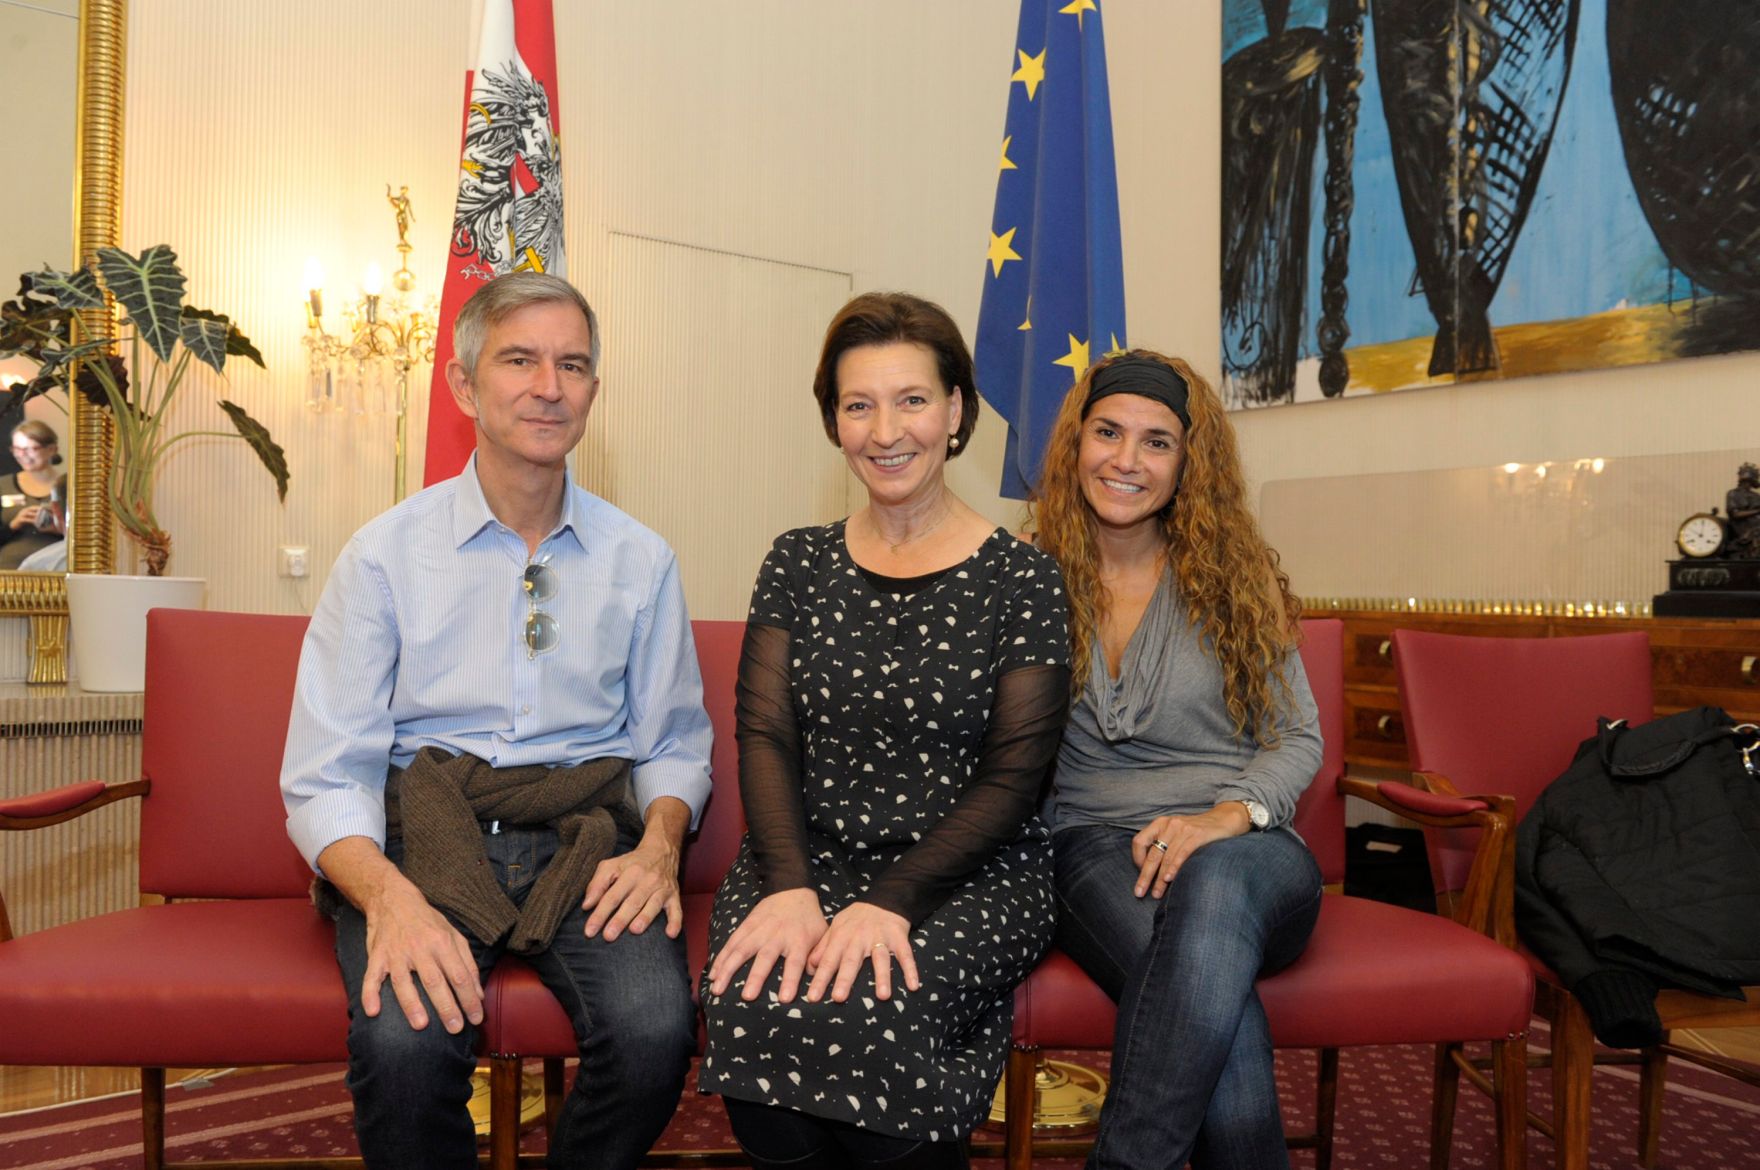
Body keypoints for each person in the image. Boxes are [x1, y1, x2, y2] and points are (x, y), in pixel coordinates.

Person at [280, 272, 713, 1170]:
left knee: (653, 1032)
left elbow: (673, 743)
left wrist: (661, 845)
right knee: (402, 1045)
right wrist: (390, 901)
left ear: (594, 391)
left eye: (573, 365)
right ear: (465, 384)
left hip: (585, 838)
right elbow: (328, 774)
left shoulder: (642, 561)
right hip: (426, 834)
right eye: (520, 360)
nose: (548, 386)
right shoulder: (383, 556)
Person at [700, 291, 1070, 1170]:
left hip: (968, 871)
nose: (885, 429)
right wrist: (789, 887)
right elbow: (764, 736)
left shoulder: (1025, 578)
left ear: (955, 412)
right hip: (805, 856)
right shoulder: (796, 559)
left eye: (911, 400)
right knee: (753, 995)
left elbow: (1016, 778)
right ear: (833, 420)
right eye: (857, 404)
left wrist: (891, 901)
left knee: (879, 1003)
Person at [1030, 350, 1324, 1170]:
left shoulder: (1235, 575)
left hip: (1249, 849)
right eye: (1109, 433)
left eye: (1157, 442)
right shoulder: (1026, 574)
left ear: (1188, 462)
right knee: (1218, 1034)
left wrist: (1222, 819)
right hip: (1095, 847)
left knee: (1216, 882)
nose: (1127, 460)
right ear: (1076, 443)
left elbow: (1297, 735)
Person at [1, 419, 65, 570]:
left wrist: (59, 529)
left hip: (54, 572)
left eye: (31, 449)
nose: (23, 455)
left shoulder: (69, 486)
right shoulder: (3, 485)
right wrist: (13, 525)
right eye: (17, 449)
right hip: (8, 575)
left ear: (51, 449)